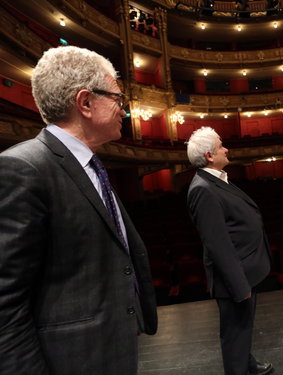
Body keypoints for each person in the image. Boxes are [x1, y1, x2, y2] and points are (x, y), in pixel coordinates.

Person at [0, 46, 158, 374]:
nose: (124, 111)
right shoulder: (22, 168)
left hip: (112, 350)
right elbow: (5, 305)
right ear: (85, 102)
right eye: (117, 98)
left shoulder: (91, 165)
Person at [186, 127, 273, 375]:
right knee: (235, 333)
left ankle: (248, 364)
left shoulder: (216, 179)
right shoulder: (202, 188)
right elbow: (217, 244)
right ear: (210, 155)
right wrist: (239, 285)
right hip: (235, 277)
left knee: (243, 327)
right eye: (221, 145)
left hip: (245, 269)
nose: (226, 149)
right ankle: (239, 368)